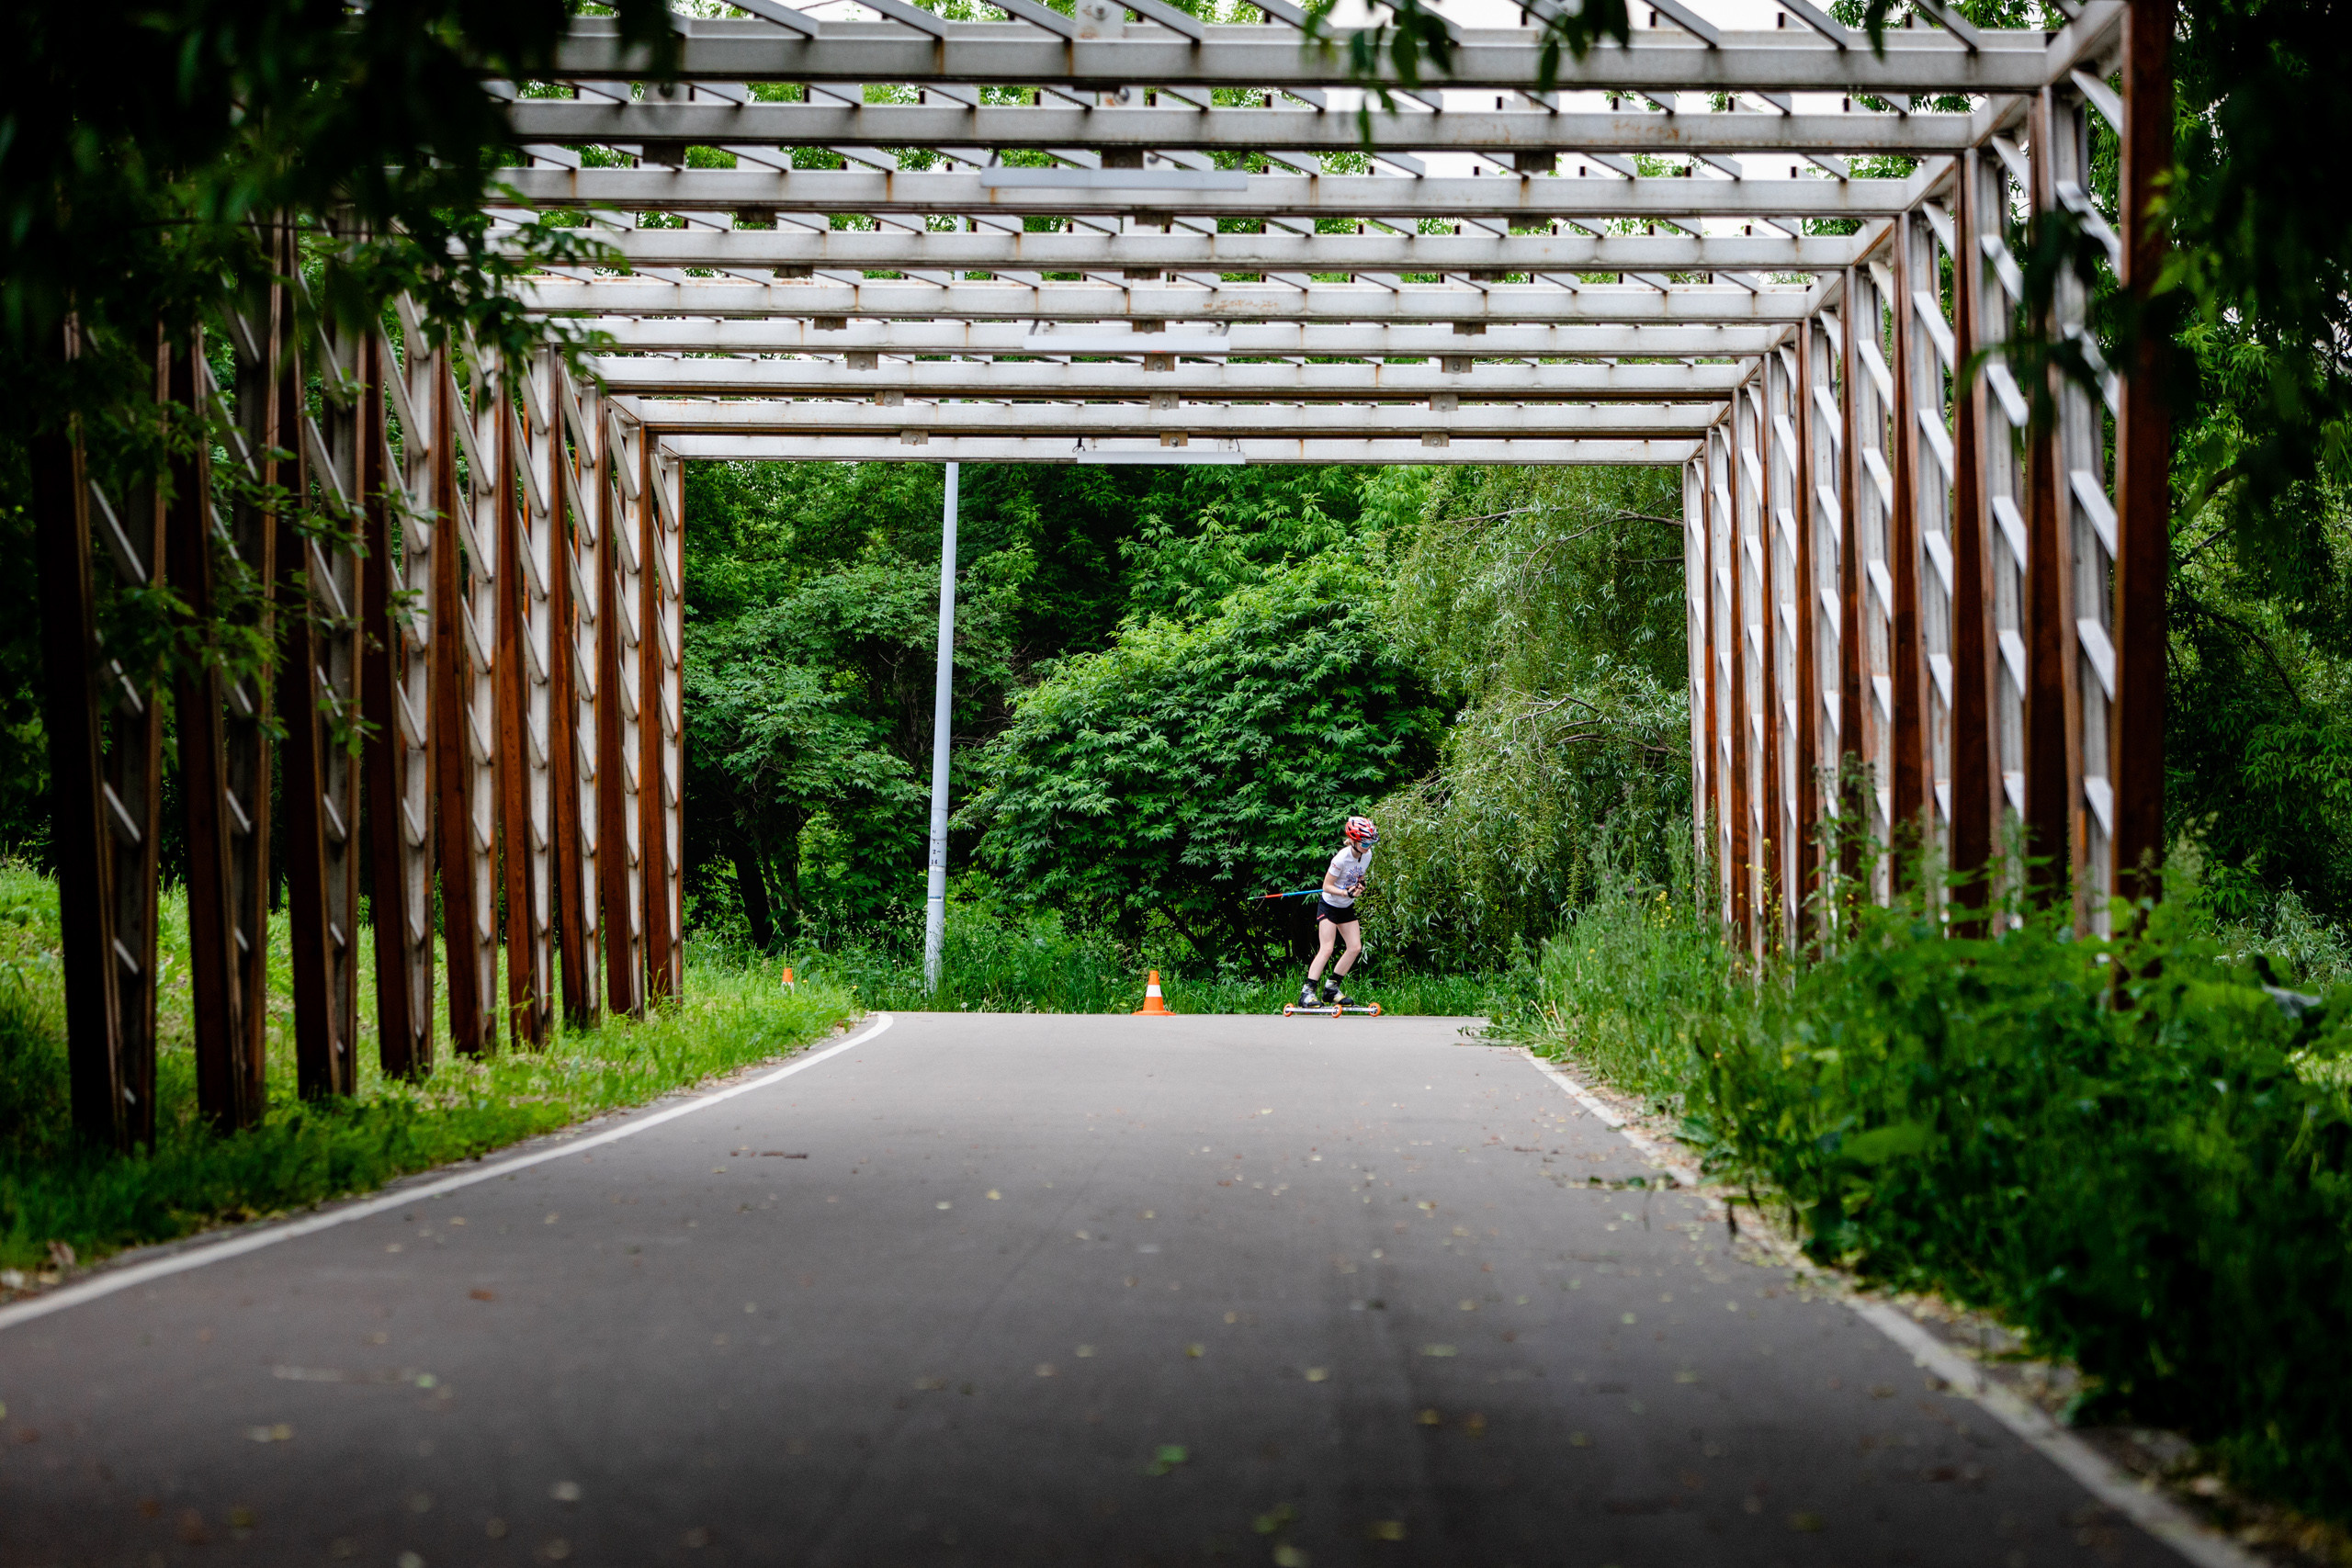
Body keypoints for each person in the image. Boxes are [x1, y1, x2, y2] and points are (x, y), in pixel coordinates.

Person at [1299, 817, 1376, 1009]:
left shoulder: (1367, 854)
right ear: (1354, 840)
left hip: (1346, 906)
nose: (1368, 845)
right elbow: (1326, 886)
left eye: (1370, 842)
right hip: (1330, 905)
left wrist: (1360, 887)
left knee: (1355, 947)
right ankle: (1307, 993)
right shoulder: (1341, 858)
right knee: (1327, 949)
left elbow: (1361, 877)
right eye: (1365, 842)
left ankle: (1332, 989)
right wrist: (1344, 892)